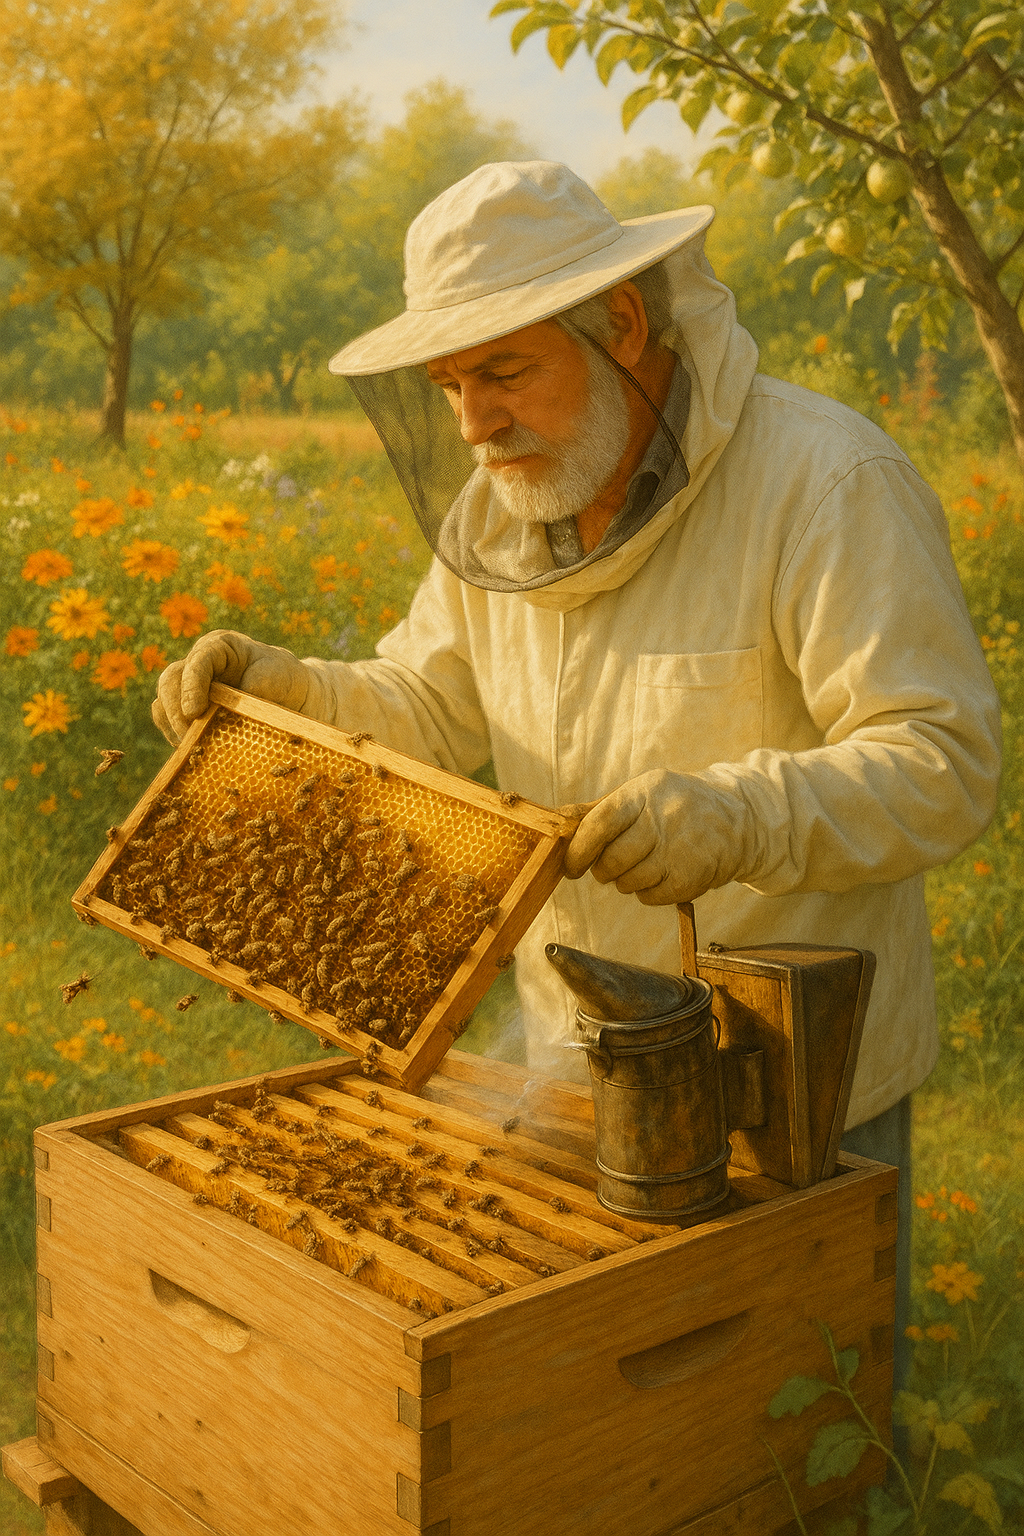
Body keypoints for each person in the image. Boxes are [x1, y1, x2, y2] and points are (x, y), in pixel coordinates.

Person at [154, 161, 1001, 1378]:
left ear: (624, 326)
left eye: (502, 371)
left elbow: (944, 759)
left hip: (797, 1082)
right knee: (601, 1427)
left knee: (796, 1420)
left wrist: (738, 812)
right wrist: (283, 687)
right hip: (566, 1057)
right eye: (449, 383)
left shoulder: (825, 481)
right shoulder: (502, 512)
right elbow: (429, 707)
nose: (472, 421)